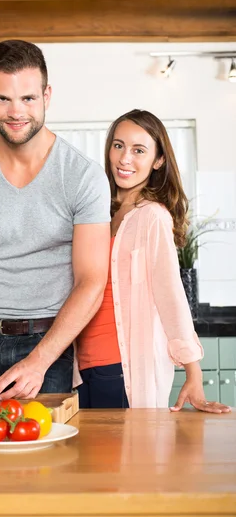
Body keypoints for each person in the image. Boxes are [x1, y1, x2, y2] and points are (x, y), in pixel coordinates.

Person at [0, 40, 111, 401]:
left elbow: (92, 281)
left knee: (47, 454)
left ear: (47, 95)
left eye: (28, 98)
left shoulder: (83, 176)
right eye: (3, 99)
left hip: (49, 342)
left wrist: (42, 359)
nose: (16, 112)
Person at [77, 109, 231, 413]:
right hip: (80, 368)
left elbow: (170, 295)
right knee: (85, 461)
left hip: (120, 367)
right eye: (118, 145)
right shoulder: (97, 212)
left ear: (158, 160)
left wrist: (193, 371)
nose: (124, 159)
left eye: (139, 150)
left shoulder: (152, 217)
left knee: (121, 460)